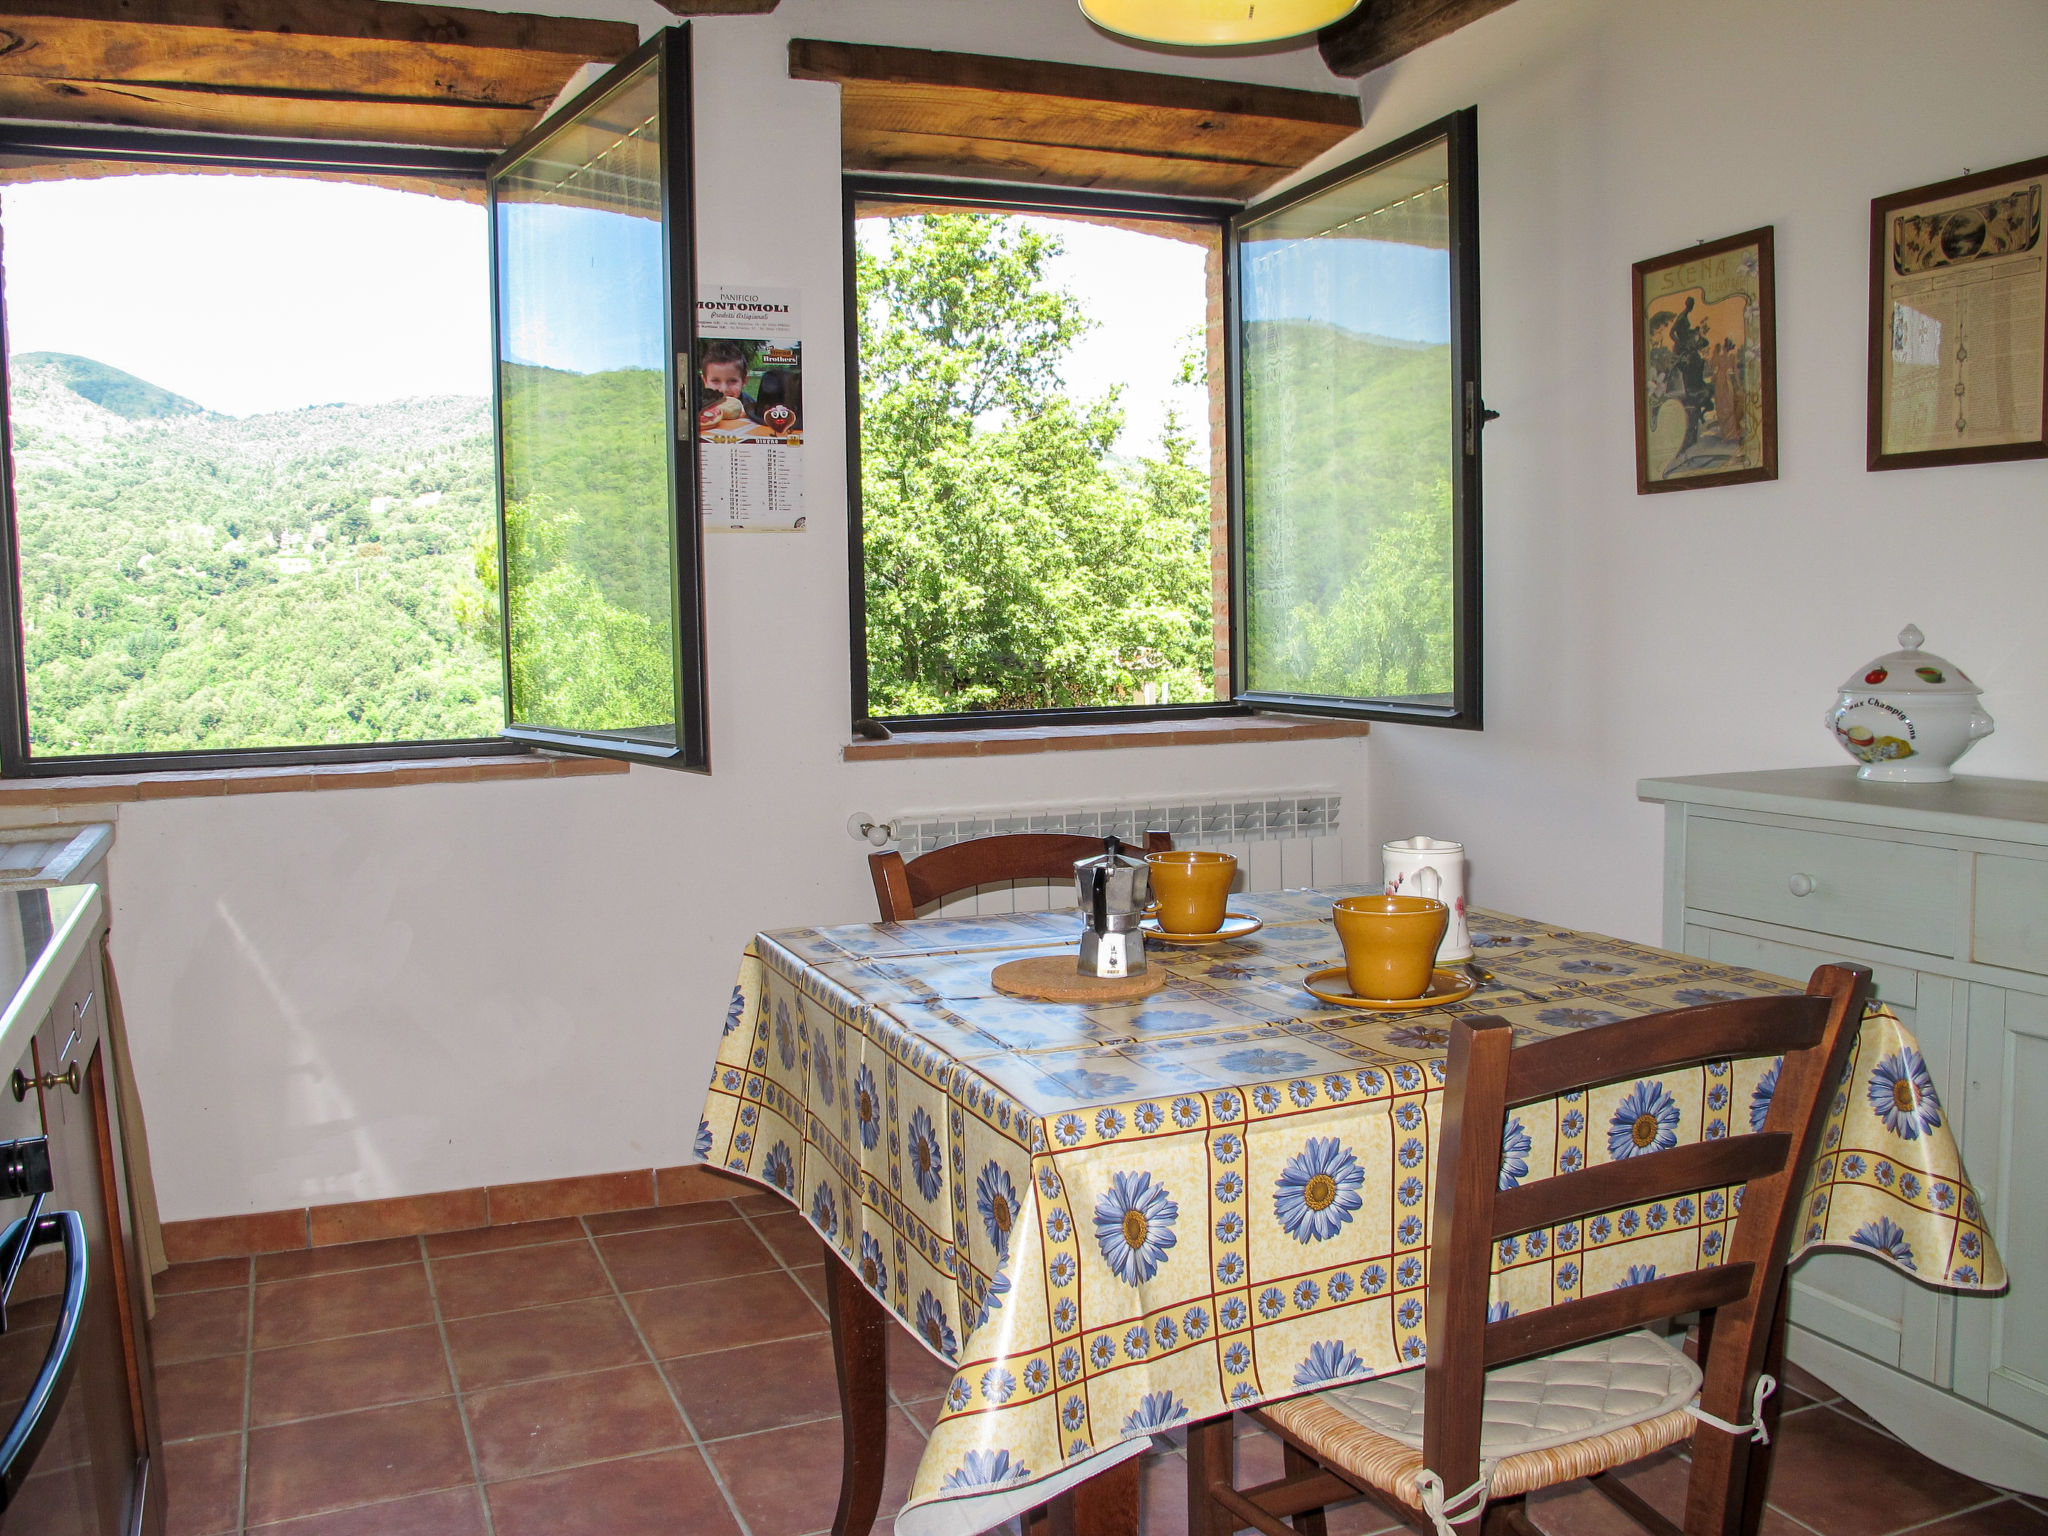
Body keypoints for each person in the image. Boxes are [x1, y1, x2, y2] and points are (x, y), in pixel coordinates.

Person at [698, 340, 756, 428]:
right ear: (705, 381)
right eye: (716, 381)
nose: (724, 389)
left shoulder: (752, 409)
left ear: (744, 381)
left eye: (732, 381)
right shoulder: (698, 407)